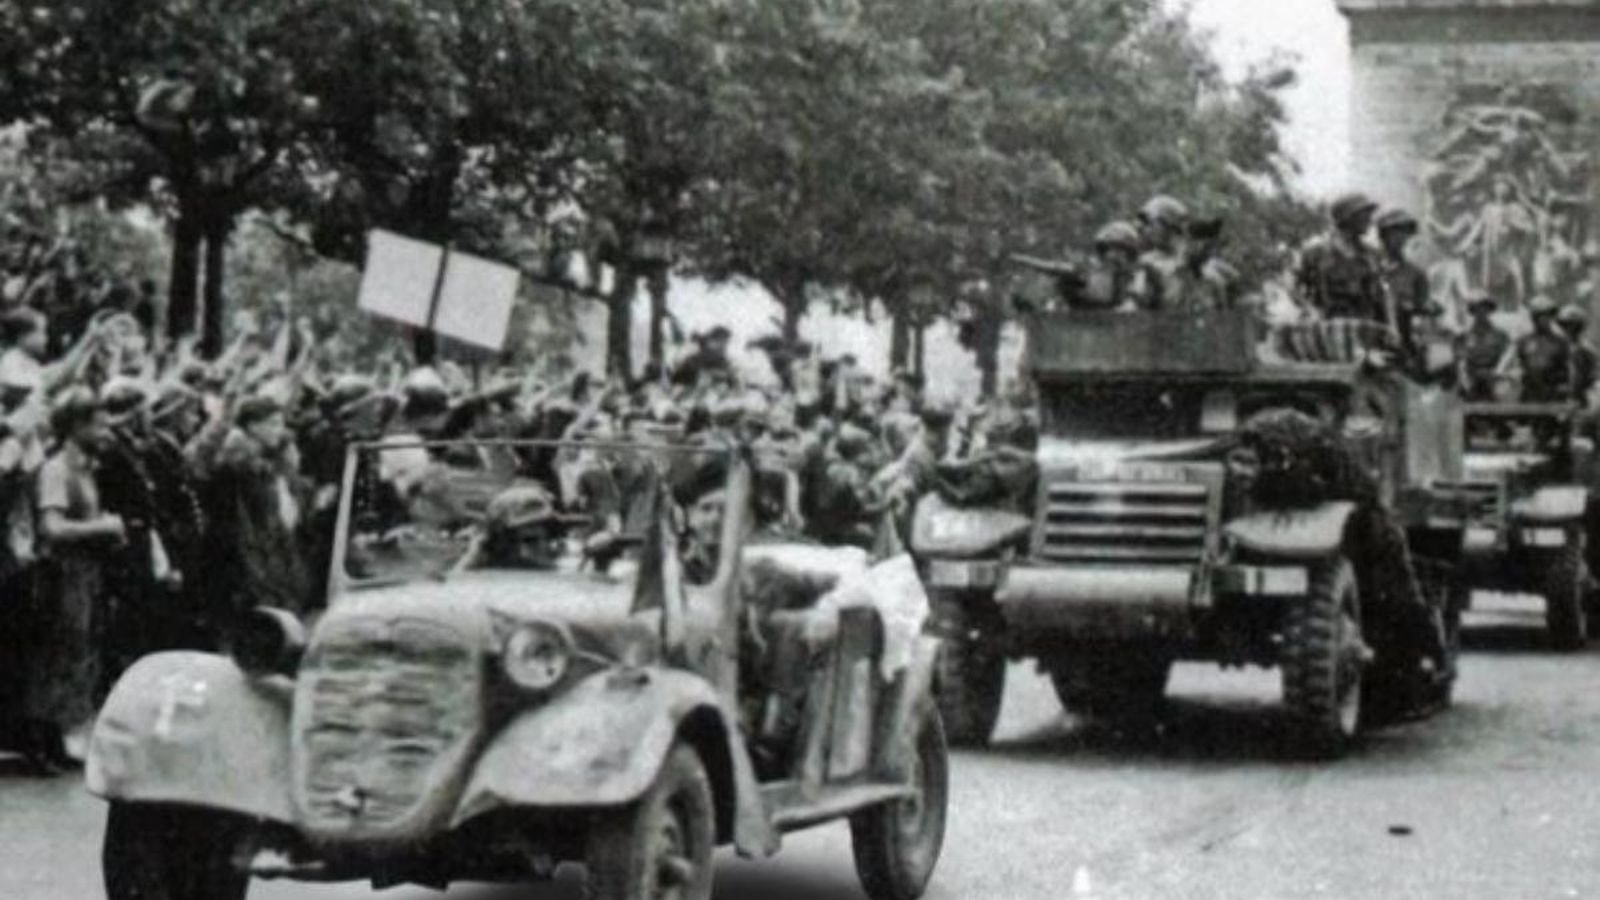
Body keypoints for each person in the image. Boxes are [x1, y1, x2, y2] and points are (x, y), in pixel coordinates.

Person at [28, 387, 126, 766]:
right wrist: (102, 526)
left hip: (86, 573)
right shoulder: (56, 470)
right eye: (99, 427)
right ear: (75, 426)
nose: (106, 434)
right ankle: (51, 735)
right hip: (63, 574)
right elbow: (52, 527)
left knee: (82, 651)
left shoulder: (88, 468)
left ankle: (68, 729)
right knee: (62, 653)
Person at [206, 394, 315, 623]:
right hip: (254, 559)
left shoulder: (265, 458)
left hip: (268, 552)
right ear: (253, 427)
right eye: (273, 424)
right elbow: (249, 523)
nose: (281, 430)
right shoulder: (241, 463)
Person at [1297, 192, 1388, 324]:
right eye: (1364, 214)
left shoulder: (1372, 255)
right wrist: (1309, 310)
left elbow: (1384, 295)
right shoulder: (1316, 252)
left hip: (1365, 327)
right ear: (1348, 217)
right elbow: (1294, 286)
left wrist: (1391, 327)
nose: (1370, 220)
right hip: (1327, 326)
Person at [1376, 209, 1430, 367]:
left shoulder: (1415, 274)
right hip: (1367, 340)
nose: (1401, 238)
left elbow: (1422, 309)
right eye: (1395, 232)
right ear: (1383, 235)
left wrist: (1419, 308)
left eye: (1405, 233)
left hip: (1402, 343)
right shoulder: (1369, 266)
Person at [1129, 196, 1191, 310]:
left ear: (1167, 224)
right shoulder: (1147, 261)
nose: (1145, 229)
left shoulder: (1148, 263)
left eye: (1149, 223)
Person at [1454, 295, 1511, 401]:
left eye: (1485, 309)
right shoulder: (1464, 336)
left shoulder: (1500, 335)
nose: (1481, 312)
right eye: (1478, 309)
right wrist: (1464, 379)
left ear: (1489, 311)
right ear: (1473, 312)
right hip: (1473, 378)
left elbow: (1507, 356)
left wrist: (1499, 370)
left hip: (1493, 378)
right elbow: (1461, 361)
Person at [1516, 295, 1572, 403]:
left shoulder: (1561, 341)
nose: (1544, 319)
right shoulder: (1524, 340)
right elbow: (1518, 364)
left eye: (1547, 315)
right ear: (1534, 317)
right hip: (1530, 393)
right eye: (1540, 316)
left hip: (1553, 392)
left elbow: (1567, 368)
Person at [1083, 221, 1143, 310]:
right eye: (1108, 249)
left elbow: (1136, 299)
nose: (1112, 255)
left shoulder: (1137, 276)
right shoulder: (1096, 272)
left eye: (1119, 250)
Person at [1557, 304, 1597, 406]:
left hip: (1580, 398)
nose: (1567, 329)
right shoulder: (1556, 347)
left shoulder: (1587, 350)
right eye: (1564, 325)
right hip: (1556, 397)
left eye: (1571, 325)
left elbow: (1594, 376)